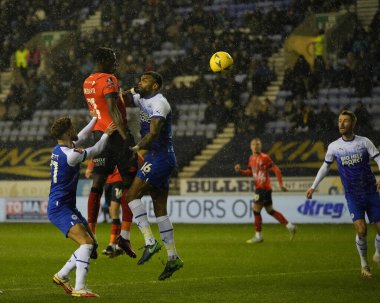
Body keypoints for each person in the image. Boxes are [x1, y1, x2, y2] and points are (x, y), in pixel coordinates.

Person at [123, 71, 183, 280]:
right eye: (139, 79)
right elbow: (121, 97)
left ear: (155, 85)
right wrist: (128, 91)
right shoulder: (141, 96)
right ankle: (173, 257)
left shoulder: (160, 103)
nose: (140, 82)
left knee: (131, 196)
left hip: (160, 158)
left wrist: (136, 148)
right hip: (160, 157)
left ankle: (150, 241)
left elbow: (154, 132)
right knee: (159, 208)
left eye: (145, 80)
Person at [306, 110, 380, 278]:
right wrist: (313, 186)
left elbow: (378, 158)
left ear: (353, 124)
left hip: (371, 191)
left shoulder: (364, 142)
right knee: (361, 230)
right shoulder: (334, 146)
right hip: (353, 195)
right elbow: (325, 167)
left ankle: (378, 254)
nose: (341, 124)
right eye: (339, 120)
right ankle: (364, 265)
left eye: (345, 121)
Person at [48, 114, 116, 297]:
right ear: (68, 132)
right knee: (86, 244)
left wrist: (96, 119)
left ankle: (62, 275)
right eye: (73, 128)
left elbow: (83, 136)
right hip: (59, 208)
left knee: (92, 243)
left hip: (66, 206)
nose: (76, 130)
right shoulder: (71, 156)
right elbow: (95, 150)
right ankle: (79, 288)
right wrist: (107, 134)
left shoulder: (61, 149)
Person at [83, 47, 136, 258]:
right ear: (103, 60)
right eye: (113, 59)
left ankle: (91, 236)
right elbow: (113, 107)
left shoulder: (88, 81)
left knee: (96, 185)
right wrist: (125, 138)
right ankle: (124, 236)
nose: (116, 62)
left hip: (100, 135)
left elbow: (100, 107)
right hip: (116, 135)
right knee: (130, 185)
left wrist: (127, 94)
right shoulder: (109, 78)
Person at [234, 138, 296, 243]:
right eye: (253, 144)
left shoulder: (265, 157)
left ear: (260, 146)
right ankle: (290, 226)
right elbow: (250, 172)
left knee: (256, 210)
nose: (255, 146)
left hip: (263, 189)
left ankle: (258, 236)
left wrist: (281, 184)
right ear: (250, 146)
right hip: (264, 189)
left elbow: (276, 169)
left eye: (257, 144)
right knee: (270, 211)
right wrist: (240, 171)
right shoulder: (251, 158)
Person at [85, 158, 139, 259]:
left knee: (114, 211)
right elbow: (98, 154)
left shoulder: (120, 145)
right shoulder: (105, 146)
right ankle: (117, 244)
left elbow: (137, 157)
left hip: (119, 181)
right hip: (107, 181)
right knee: (112, 212)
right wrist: (90, 168)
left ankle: (112, 244)